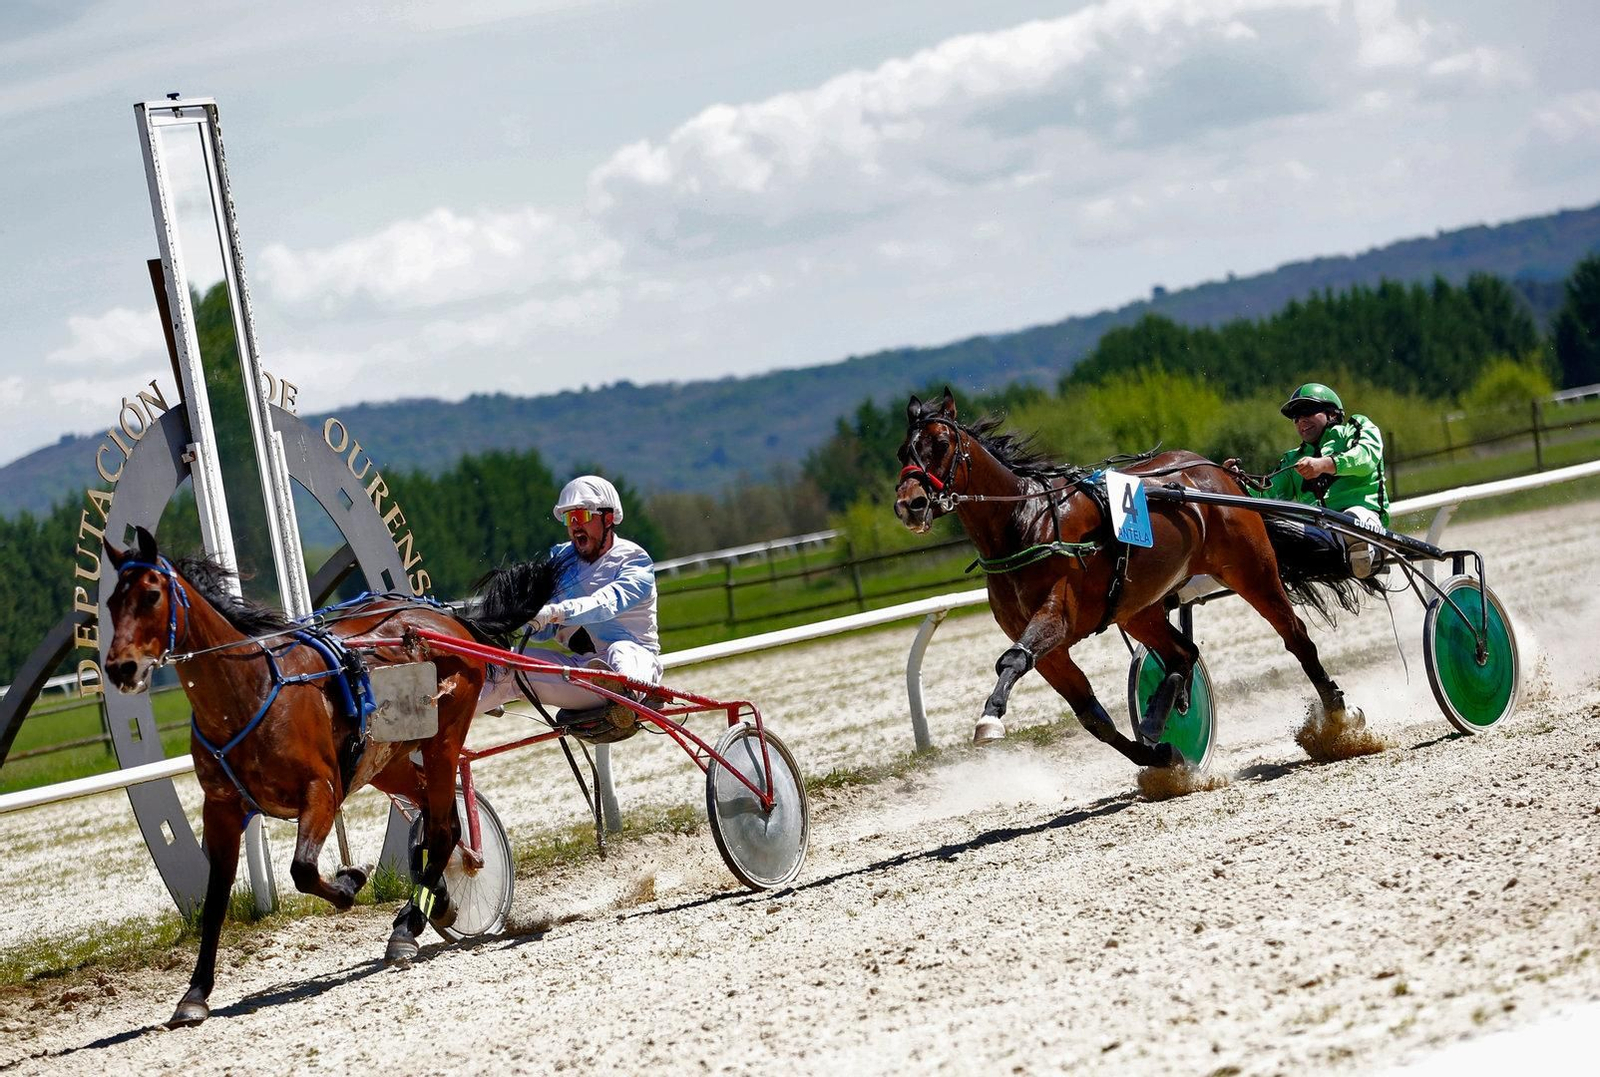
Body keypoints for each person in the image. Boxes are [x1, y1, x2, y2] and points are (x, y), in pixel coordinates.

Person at [478, 475, 662, 719]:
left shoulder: (635, 560)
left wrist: (555, 612)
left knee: (621, 650)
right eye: (568, 518)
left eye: (582, 516)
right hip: (582, 672)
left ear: (608, 518)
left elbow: (606, 604)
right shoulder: (561, 559)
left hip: (635, 663)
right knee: (503, 663)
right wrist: (517, 617)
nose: (574, 525)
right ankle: (432, 730)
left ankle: (627, 701)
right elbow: (543, 632)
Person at [1226, 383, 1389, 578]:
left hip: (1365, 521)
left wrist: (1324, 464)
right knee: (1256, 536)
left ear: (1332, 414)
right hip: (1317, 534)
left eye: (1307, 411)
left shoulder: (1356, 428)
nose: (1301, 421)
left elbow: (1366, 458)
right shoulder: (1293, 459)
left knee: (1352, 518)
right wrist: (1235, 483)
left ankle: (1361, 551)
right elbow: (1266, 493)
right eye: (1295, 417)